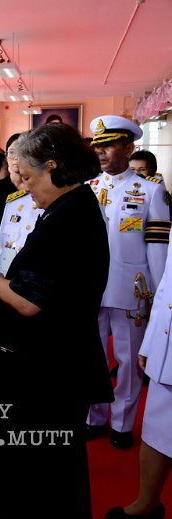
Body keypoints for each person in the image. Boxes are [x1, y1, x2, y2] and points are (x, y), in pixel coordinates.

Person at [0, 123, 114, 519]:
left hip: (47, 370)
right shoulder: (70, 206)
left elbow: (29, 301)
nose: (24, 187)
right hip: (52, 361)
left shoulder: (67, 218)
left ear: (53, 167)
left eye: (27, 176)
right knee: (46, 471)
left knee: (36, 475)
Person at [85, 115, 170, 449]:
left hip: (130, 290)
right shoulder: (87, 188)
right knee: (91, 358)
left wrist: (159, 296)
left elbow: (157, 248)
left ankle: (122, 423)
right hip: (90, 290)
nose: (101, 152)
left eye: (109, 146)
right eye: (98, 146)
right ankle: (94, 416)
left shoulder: (150, 190)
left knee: (129, 360)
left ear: (129, 148)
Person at [105, 233, 172, 519]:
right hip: (167, 342)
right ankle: (148, 502)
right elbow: (167, 284)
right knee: (157, 427)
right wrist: (151, 339)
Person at [0, 133, 45, 253]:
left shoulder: (47, 198)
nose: (16, 158)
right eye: (12, 153)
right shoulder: (11, 202)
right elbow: (0, 244)